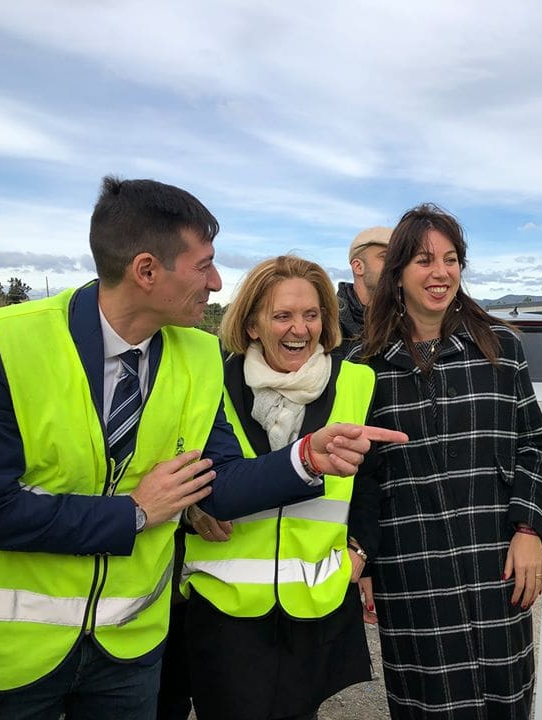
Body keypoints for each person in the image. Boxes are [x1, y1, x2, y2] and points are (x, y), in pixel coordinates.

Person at [0, 177, 405, 720]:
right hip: (7, 653)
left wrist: (306, 458)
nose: (216, 282)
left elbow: (217, 483)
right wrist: (134, 512)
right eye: (204, 266)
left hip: (127, 650)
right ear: (146, 271)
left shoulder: (197, 354)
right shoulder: (6, 340)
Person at [353, 204, 542, 719]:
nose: (440, 272)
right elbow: (361, 478)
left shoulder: (500, 349)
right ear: (398, 272)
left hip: (495, 564)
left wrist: (528, 529)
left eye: (450, 259)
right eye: (424, 260)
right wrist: (365, 558)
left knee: (505, 700)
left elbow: (534, 443)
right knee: (427, 705)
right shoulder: (364, 366)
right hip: (411, 572)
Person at [181, 255, 378, 720]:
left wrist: (361, 551)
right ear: (251, 325)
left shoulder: (358, 382)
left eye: (311, 315)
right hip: (222, 606)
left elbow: (374, 482)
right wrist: (192, 509)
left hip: (314, 603)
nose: (300, 329)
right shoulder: (210, 381)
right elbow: (176, 461)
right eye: (282, 315)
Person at [336, 226, 391, 356]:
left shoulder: (411, 320)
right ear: (358, 266)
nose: (396, 265)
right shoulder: (325, 321)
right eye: (385, 257)